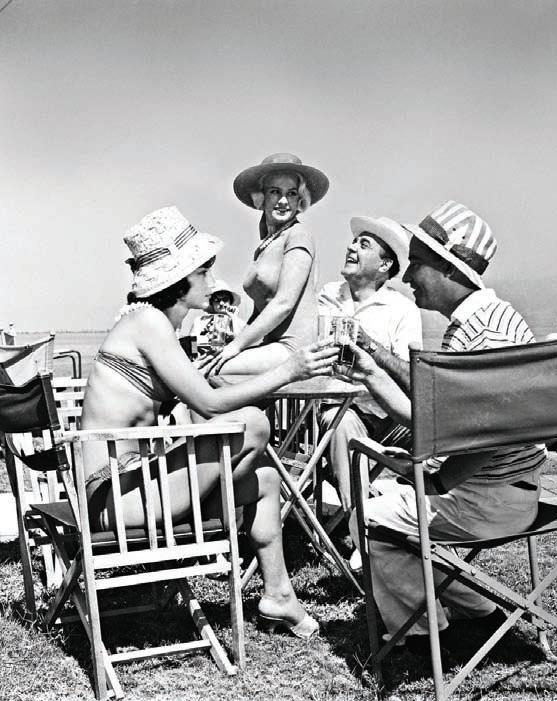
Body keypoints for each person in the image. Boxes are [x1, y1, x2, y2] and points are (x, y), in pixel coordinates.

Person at [81, 206, 338, 639]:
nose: (214, 281)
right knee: (252, 424)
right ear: (179, 281)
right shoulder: (147, 322)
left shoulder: (151, 324)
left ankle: (278, 595)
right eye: (204, 271)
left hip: (137, 486)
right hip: (114, 498)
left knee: (266, 479)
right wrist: (289, 370)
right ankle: (235, 541)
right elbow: (211, 405)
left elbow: (197, 396)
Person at [344, 200, 546, 648]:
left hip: (489, 501)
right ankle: (479, 611)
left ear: (450, 269)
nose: (407, 277)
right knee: (382, 495)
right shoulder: (488, 320)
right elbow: (443, 404)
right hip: (509, 490)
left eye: (417, 263)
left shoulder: (482, 336)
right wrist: (374, 362)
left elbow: (482, 432)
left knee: (369, 518)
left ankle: (422, 636)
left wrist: (438, 481)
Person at [317, 216, 422, 568]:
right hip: (340, 409)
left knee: (433, 425)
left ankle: (434, 522)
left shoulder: (401, 308)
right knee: (341, 422)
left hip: (389, 415)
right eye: (353, 242)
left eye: (363, 245)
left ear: (384, 265)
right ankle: (364, 534)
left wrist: (371, 346)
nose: (351, 247)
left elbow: (413, 376)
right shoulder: (328, 296)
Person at [208, 153, 329, 378]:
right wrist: (235, 341)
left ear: (300, 200)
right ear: (261, 197)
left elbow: (283, 303)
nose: (283, 201)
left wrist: (235, 348)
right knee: (202, 361)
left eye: (291, 193)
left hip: (294, 349)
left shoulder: (299, 235)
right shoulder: (268, 243)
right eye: (275, 192)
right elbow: (260, 310)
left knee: (207, 371)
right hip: (271, 345)